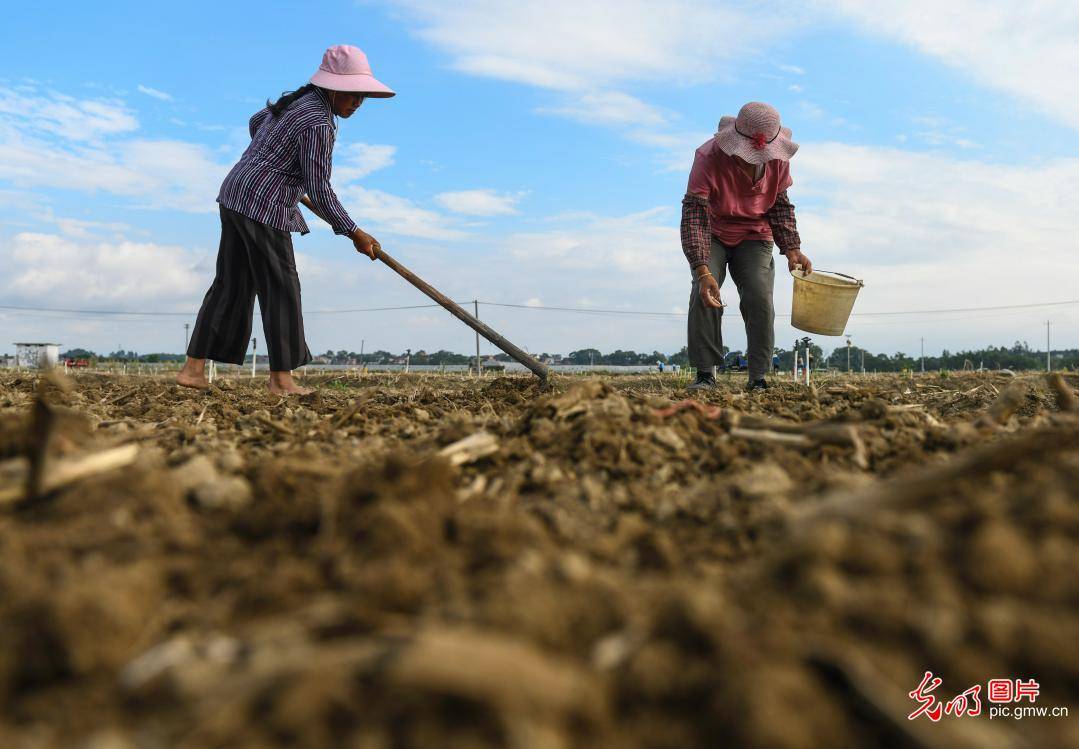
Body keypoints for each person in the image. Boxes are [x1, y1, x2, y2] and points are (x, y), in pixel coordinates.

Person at [177, 44, 394, 395]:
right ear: (332, 87)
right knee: (281, 289)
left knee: (230, 284)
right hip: (264, 205)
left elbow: (256, 121)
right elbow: (319, 188)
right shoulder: (319, 123)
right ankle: (281, 380)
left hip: (236, 192)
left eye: (362, 97)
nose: (357, 102)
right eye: (352, 94)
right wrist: (354, 231)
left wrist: (273, 155)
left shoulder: (295, 102)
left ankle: (192, 370)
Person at [680, 102, 812, 392]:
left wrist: (792, 248)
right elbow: (694, 215)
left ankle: (758, 376)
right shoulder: (707, 157)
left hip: (755, 233)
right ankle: (705, 373)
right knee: (704, 292)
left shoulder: (779, 161)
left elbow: (779, 205)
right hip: (711, 230)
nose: (753, 161)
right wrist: (702, 270)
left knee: (759, 296)